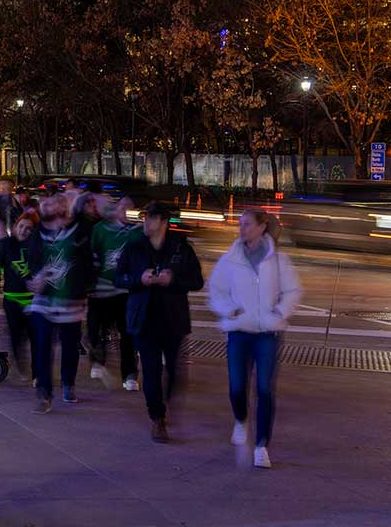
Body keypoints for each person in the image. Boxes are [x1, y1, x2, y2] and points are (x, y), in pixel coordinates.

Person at [208, 208, 301, 469]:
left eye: (247, 224)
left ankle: (262, 445)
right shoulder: (230, 259)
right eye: (241, 224)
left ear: (262, 227)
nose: (242, 228)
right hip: (239, 331)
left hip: (267, 335)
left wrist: (280, 312)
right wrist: (229, 310)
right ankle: (240, 420)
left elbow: (293, 290)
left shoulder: (278, 260)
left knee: (264, 389)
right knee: (237, 387)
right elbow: (216, 289)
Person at [115, 203, 204, 443]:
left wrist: (173, 279)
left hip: (173, 319)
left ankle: (169, 402)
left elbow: (197, 281)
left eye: (151, 219)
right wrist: (139, 279)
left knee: (174, 369)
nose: (145, 223)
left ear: (163, 222)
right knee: (151, 371)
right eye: (144, 218)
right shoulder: (134, 248)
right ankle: (157, 417)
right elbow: (117, 277)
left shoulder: (180, 248)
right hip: (144, 319)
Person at [25, 193, 94, 413]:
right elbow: (33, 259)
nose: (48, 206)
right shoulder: (39, 232)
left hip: (70, 299)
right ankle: (44, 393)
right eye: (45, 203)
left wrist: (85, 286)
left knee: (70, 345)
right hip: (44, 299)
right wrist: (35, 277)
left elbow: (90, 262)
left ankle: (68, 383)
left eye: (54, 203)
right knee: (43, 344)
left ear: (65, 207)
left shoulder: (80, 230)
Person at [88, 197, 143, 390]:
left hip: (126, 291)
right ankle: (98, 360)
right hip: (102, 291)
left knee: (127, 335)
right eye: (123, 207)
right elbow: (92, 256)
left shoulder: (137, 233)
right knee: (97, 331)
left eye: (131, 208)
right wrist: (91, 284)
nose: (126, 211)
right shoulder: (101, 229)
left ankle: (129, 375)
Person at [0, 211, 39, 379]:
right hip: (12, 301)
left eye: (28, 228)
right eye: (21, 226)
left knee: (37, 340)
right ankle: (21, 366)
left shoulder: (39, 246)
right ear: (15, 226)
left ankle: (37, 373)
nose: (23, 231)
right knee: (16, 337)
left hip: (35, 302)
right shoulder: (5, 244)